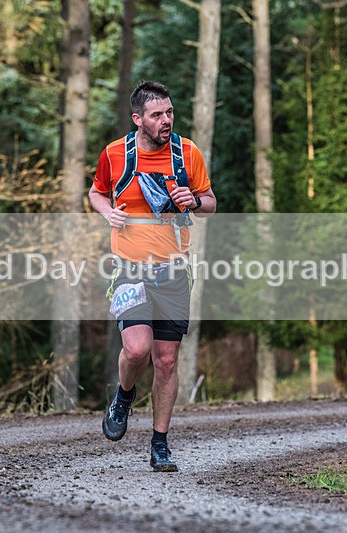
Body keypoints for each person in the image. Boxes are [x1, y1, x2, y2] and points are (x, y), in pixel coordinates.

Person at [88, 80, 217, 472]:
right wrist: (107, 212)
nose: (166, 120)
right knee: (137, 350)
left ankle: (160, 444)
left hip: (174, 271)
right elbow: (96, 192)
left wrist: (194, 201)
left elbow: (210, 202)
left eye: (170, 112)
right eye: (157, 114)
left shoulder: (187, 152)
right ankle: (124, 396)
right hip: (129, 269)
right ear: (138, 119)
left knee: (166, 361)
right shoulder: (115, 154)